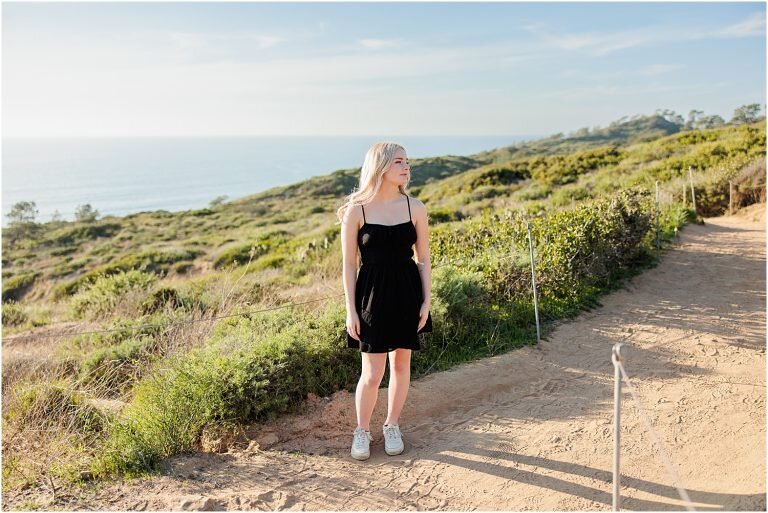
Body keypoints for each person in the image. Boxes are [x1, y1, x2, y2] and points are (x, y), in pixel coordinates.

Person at [336, 141, 433, 461]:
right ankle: (361, 431)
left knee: (402, 365)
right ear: (380, 167)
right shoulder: (357, 210)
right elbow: (349, 265)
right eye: (399, 162)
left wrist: (426, 302)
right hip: (372, 296)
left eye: (407, 162)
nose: (406, 167)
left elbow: (423, 260)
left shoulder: (415, 207)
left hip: (407, 292)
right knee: (372, 372)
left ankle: (392, 425)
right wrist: (351, 310)